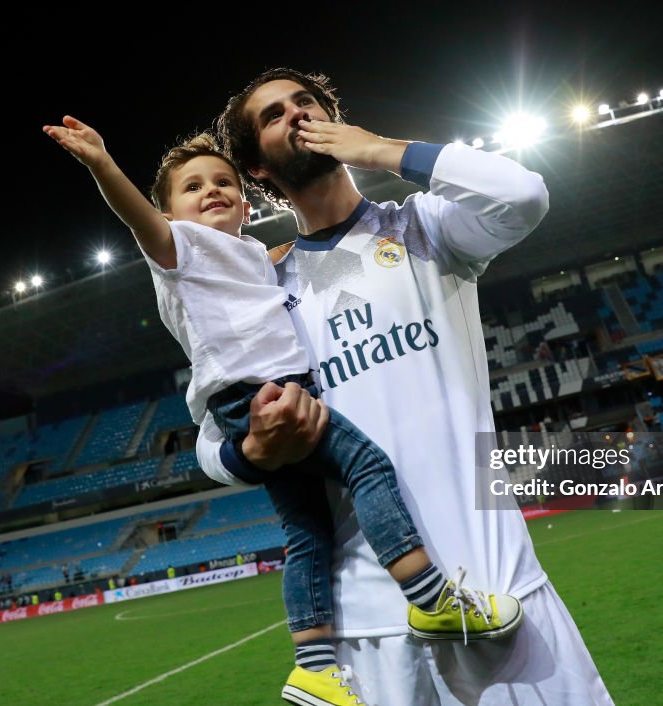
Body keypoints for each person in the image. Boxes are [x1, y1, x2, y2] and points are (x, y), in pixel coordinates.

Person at [45, 115, 521, 706]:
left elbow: (267, 268)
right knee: (367, 468)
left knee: (306, 531)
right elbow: (140, 222)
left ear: (246, 204)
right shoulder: (181, 251)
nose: (211, 190)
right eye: (191, 188)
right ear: (168, 215)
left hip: (261, 394)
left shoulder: (251, 254)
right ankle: (431, 600)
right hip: (260, 396)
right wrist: (102, 165)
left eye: (222, 181)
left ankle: (314, 667)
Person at [196, 68, 612, 705]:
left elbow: (523, 194)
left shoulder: (427, 230)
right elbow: (207, 441)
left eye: (305, 102)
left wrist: (379, 149)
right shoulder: (262, 291)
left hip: (491, 587)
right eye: (273, 115)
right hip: (366, 627)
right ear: (256, 168)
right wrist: (248, 452)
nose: (296, 114)